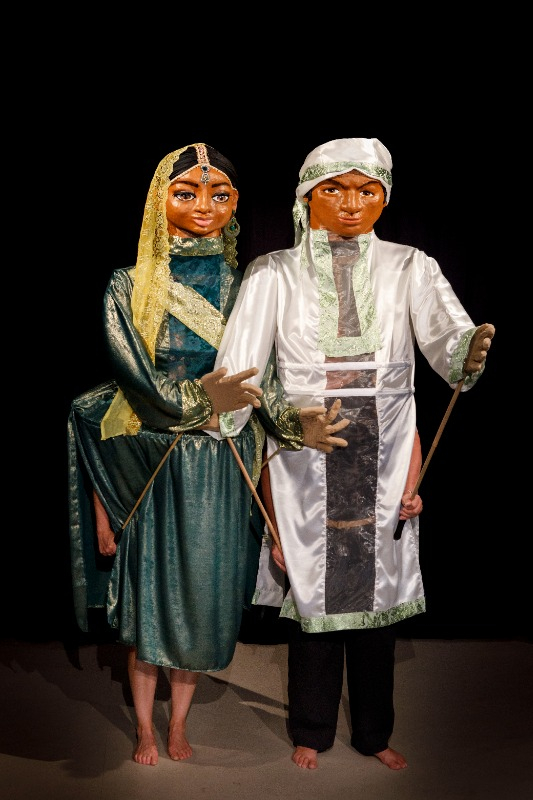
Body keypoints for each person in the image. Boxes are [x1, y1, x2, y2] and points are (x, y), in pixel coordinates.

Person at [210, 138, 495, 770]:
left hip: (385, 443)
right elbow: (242, 364)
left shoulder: (409, 265)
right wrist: (236, 400)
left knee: (377, 601)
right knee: (312, 592)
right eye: (333, 190)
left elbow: (448, 336)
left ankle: (373, 732)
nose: (351, 204)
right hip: (305, 442)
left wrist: (465, 351)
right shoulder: (273, 272)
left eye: (367, 191)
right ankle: (311, 729)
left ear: (384, 198)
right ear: (305, 197)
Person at [67, 143, 349, 767]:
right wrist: (198, 399)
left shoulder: (245, 285)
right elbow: (137, 376)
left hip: (221, 462)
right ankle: (145, 728)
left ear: (236, 204)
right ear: (159, 200)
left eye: (219, 194)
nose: (204, 205)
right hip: (158, 458)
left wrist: (292, 423)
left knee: (202, 598)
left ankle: (179, 723)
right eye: (187, 192)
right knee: (153, 599)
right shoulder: (128, 286)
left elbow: (263, 374)